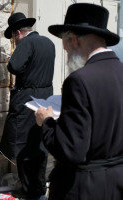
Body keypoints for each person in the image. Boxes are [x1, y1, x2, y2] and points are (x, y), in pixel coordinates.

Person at [35, 3, 123, 200]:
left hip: (84, 187)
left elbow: (71, 150)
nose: (66, 54)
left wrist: (46, 122)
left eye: (65, 48)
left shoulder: (79, 80)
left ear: (73, 40)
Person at [0, 12, 55, 200]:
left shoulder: (26, 43)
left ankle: (31, 191)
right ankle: (39, 189)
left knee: (22, 146)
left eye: (13, 38)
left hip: (27, 100)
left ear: (17, 34)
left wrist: (12, 60)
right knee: (39, 144)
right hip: (46, 98)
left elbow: (14, 66)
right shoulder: (48, 43)